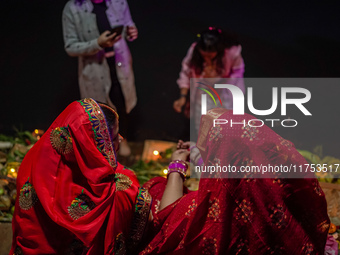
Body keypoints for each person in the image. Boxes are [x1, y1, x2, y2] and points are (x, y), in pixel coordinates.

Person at [138, 108, 330, 254]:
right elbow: (233, 164)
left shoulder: (213, 216)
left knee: (157, 189)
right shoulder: (284, 188)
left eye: (212, 147)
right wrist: (198, 152)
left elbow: (167, 217)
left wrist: (177, 165)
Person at [9, 98, 150, 254]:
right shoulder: (114, 189)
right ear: (91, 145)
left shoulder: (32, 162)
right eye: (115, 138)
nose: (121, 139)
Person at [62, 0, 138, 156]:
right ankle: (101, 150)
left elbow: (127, 25)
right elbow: (70, 47)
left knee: (122, 103)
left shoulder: (119, 2)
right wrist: (97, 43)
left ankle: (122, 140)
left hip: (119, 63)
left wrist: (131, 32)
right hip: (94, 68)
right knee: (99, 111)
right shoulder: (72, 8)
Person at [173, 27, 245, 137]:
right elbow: (186, 72)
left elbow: (238, 72)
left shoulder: (232, 52)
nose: (206, 58)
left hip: (226, 94)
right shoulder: (194, 50)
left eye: (210, 55)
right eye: (204, 55)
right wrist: (183, 96)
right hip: (203, 93)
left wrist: (222, 84)